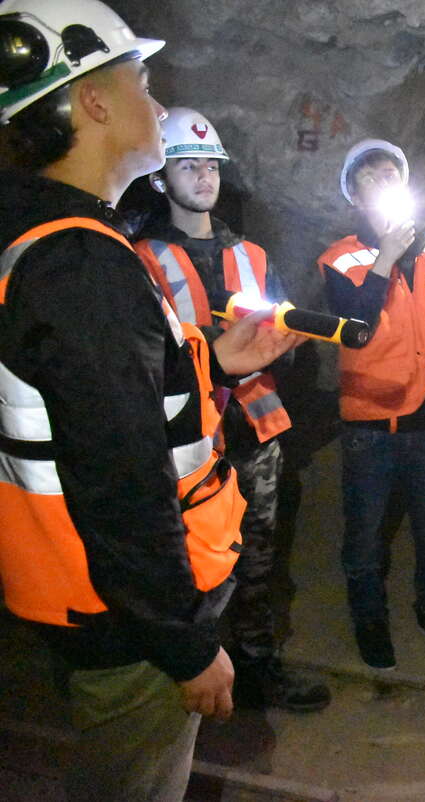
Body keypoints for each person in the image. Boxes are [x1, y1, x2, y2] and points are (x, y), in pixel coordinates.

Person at [0, 2, 299, 800]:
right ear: (92, 101)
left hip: (77, 596)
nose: (158, 105)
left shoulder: (41, 236)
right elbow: (120, 480)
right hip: (126, 623)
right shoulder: (81, 265)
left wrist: (217, 364)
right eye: (141, 79)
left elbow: (99, 406)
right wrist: (185, 645)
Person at [135, 107, 330, 713]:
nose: (204, 176)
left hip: (254, 430)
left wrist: (285, 348)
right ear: (162, 178)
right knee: (189, 561)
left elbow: (275, 336)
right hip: (186, 443)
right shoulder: (139, 257)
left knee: (260, 558)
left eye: (210, 165)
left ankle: (255, 669)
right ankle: (191, 671)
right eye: (188, 165)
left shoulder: (252, 254)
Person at [318, 138, 425, 666]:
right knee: (365, 537)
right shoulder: (341, 259)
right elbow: (354, 329)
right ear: (354, 198)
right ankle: (370, 621)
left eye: (391, 174)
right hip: (372, 427)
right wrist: (385, 260)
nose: (384, 184)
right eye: (370, 180)